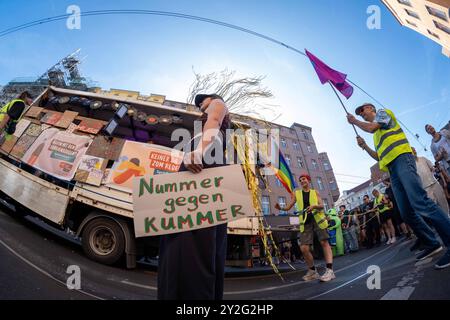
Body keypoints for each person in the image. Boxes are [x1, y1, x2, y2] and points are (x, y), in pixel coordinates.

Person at [348, 103, 450, 269]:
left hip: (402, 159)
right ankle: (431, 243)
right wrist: (365, 146)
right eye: (359, 114)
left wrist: (354, 122)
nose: (361, 115)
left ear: (371, 108)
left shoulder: (383, 114)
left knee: (420, 202)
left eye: (362, 111)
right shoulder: (376, 136)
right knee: (406, 212)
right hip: (392, 169)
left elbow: (372, 127)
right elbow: (379, 157)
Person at [157, 93, 231, 300]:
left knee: (190, 239)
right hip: (200, 164)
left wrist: (199, 151)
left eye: (203, 100)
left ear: (213, 98)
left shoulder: (217, 104)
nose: (200, 105)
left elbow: (214, 122)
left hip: (202, 164)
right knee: (192, 238)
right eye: (198, 104)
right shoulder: (204, 123)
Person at [275, 173, 335, 282]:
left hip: (318, 220)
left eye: (304, 179)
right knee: (304, 248)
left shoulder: (315, 192)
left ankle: (330, 271)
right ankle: (313, 271)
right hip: (305, 222)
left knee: (324, 243)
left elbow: (322, 206)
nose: (302, 181)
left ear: (309, 181)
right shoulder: (297, 194)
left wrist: (314, 206)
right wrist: (281, 208)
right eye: (300, 180)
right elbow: (289, 206)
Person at [411, 147, 449, 214]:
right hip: (426, 189)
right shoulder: (411, 165)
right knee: (433, 207)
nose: (414, 151)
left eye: (414, 150)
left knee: (443, 201)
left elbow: (432, 168)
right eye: (412, 151)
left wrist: (437, 169)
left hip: (434, 183)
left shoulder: (423, 158)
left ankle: (448, 217)